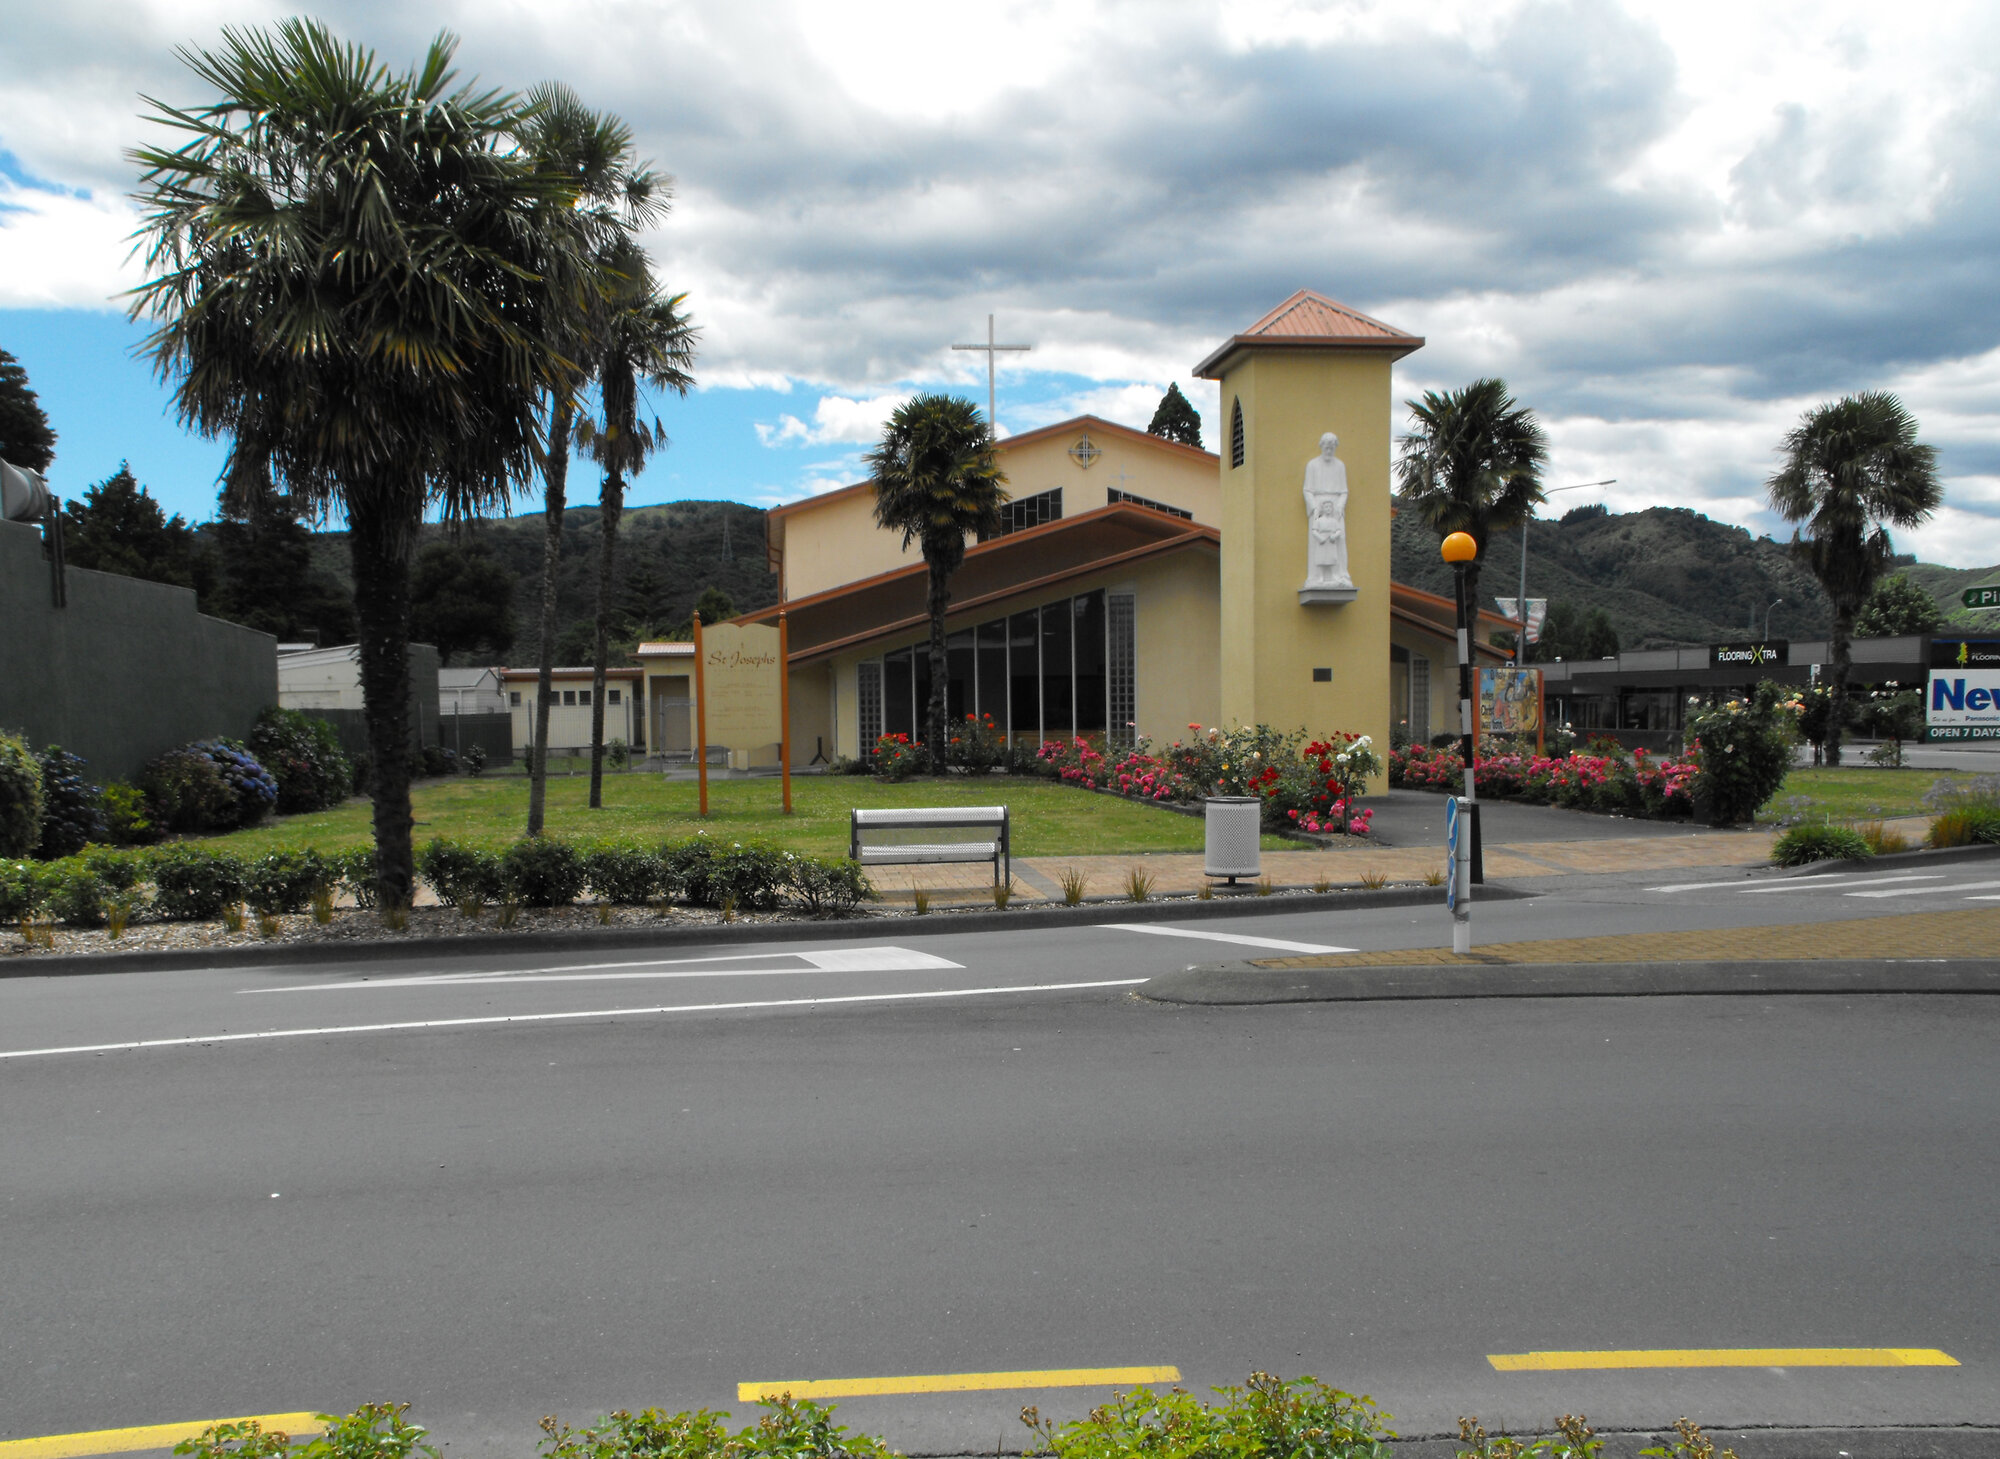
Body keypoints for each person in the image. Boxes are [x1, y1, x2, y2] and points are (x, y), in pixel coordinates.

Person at [1303, 432, 1352, 588]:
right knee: (1317, 540)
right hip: (1318, 504)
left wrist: (1340, 506)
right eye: (1326, 446)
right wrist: (1314, 507)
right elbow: (1307, 490)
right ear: (1321, 446)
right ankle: (1316, 577)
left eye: (1332, 447)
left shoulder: (1340, 466)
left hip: (1336, 505)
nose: (1329, 450)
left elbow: (1344, 490)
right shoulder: (1312, 465)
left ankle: (1340, 575)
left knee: (1339, 539)